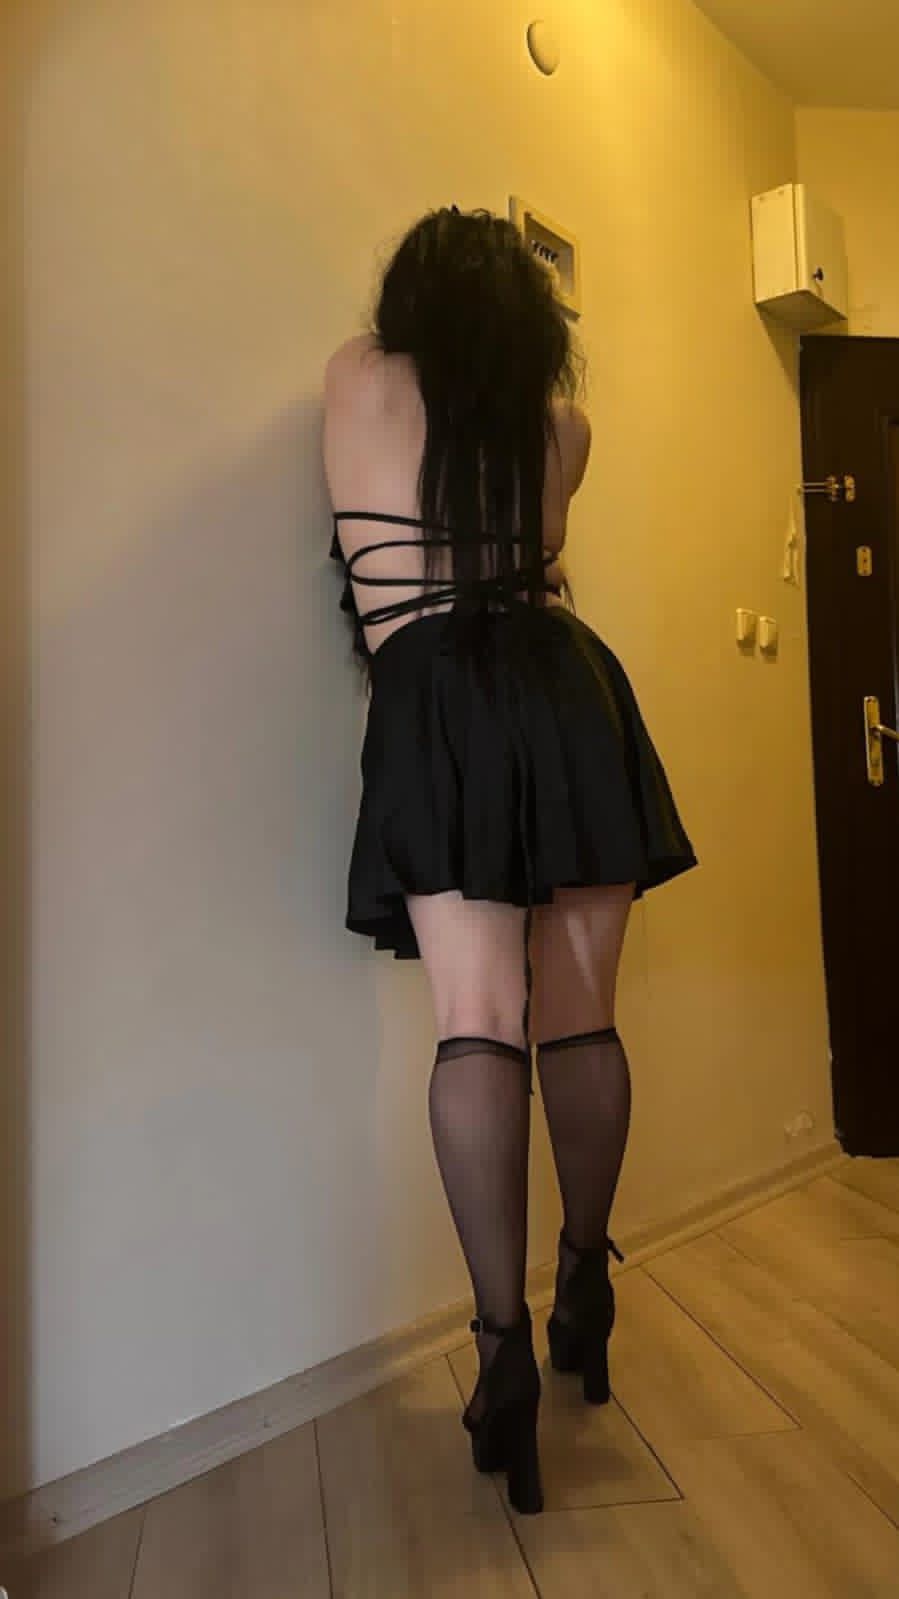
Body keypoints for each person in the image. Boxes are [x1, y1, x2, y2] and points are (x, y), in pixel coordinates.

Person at [322, 206, 697, 1516]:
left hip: (437, 698)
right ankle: (585, 1282)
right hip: (568, 688)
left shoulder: (357, 379)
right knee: (581, 1019)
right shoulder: (562, 428)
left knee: (478, 1024)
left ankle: (502, 1353)